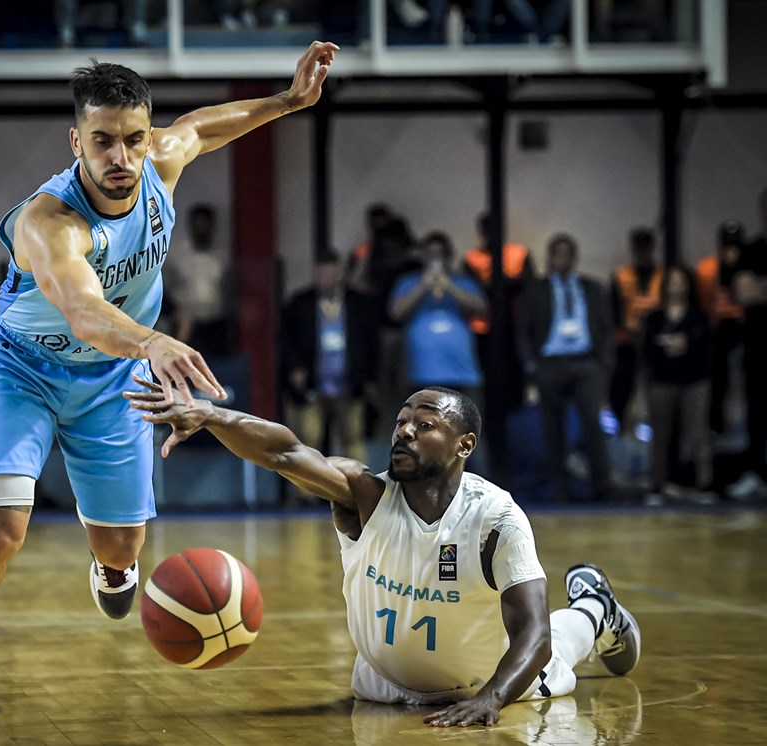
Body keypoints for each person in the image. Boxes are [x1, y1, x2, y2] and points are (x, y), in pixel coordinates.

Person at [0, 40, 340, 713]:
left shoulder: (159, 163)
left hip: (113, 378)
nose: (121, 158)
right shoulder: (48, 222)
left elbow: (202, 126)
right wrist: (153, 342)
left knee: (121, 550)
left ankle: (111, 563)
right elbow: (84, 311)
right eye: (103, 142)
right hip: (21, 372)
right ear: (76, 141)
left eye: (134, 139)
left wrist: (288, 101)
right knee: (0, 533)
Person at [126, 378, 641, 727]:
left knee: (567, 633)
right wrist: (212, 415)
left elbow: (534, 633)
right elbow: (283, 452)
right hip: (380, 690)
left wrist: (492, 698)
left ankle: (596, 607)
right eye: (401, 422)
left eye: (425, 424)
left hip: (492, 681)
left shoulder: (496, 518)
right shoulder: (364, 495)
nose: (405, 431)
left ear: (464, 445)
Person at [516, 234, 614, 502]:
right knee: (553, 428)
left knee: (594, 425)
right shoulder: (537, 290)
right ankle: (560, 488)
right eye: (556, 254)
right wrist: (531, 365)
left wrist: (604, 363)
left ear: (573, 257)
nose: (561, 259)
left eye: (566, 254)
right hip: (550, 364)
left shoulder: (591, 288)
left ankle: (602, 486)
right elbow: (523, 330)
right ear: (549, 258)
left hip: (586, 362)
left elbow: (606, 328)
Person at [388, 231, 489, 475]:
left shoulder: (462, 281)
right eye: (430, 254)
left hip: (463, 375)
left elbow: (482, 308)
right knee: (419, 438)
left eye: (439, 255)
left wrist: (449, 285)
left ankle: (480, 491)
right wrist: (424, 284)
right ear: (422, 256)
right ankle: (419, 491)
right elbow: (396, 312)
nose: (435, 259)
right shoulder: (408, 282)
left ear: (448, 256)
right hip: (421, 375)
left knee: (470, 435)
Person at [280, 248, 380, 468]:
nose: (328, 279)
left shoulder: (357, 303)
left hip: (350, 381)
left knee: (353, 438)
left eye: (332, 274)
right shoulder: (300, 303)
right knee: (308, 437)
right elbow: (285, 340)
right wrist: (294, 368)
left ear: (340, 273)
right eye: (323, 274)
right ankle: (305, 495)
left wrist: (369, 377)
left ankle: (358, 488)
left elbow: (371, 342)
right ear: (315, 274)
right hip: (312, 381)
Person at [463, 213, 533, 480]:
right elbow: (475, 293)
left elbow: (528, 289)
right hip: (484, 340)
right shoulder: (472, 259)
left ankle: (512, 470)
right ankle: (494, 471)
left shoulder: (518, 254)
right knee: (487, 411)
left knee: (513, 407)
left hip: (513, 340)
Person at [640, 266, 714, 505]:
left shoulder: (699, 317)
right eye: (672, 282)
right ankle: (657, 486)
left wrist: (686, 345)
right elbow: (646, 351)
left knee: (698, 433)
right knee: (660, 435)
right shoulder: (654, 319)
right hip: (662, 381)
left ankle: (704, 484)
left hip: (694, 381)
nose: (676, 286)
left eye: (681, 281)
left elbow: (707, 350)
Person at [728, 187, 767, 501]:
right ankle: (756, 473)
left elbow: (756, 290)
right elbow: (745, 293)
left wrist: (760, 286)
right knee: (756, 414)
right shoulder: (752, 250)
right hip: (757, 347)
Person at [161, 203, 233, 357]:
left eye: (205, 224)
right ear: (191, 225)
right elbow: (162, 288)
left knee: (216, 368)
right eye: (198, 224)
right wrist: (175, 312)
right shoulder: (177, 255)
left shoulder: (222, 256)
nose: (201, 228)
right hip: (187, 324)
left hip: (216, 323)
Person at [610, 228, 662, 429]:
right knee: (622, 385)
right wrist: (626, 325)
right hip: (626, 341)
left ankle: (651, 424)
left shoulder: (662, 275)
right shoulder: (621, 276)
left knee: (654, 386)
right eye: (638, 248)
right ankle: (618, 423)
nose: (642, 252)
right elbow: (613, 308)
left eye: (645, 247)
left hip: (656, 341)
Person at [696, 221, 745, 437]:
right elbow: (701, 302)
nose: (730, 250)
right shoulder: (707, 268)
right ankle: (716, 424)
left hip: (746, 326)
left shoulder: (749, 266)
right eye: (727, 244)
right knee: (718, 380)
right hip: (717, 328)